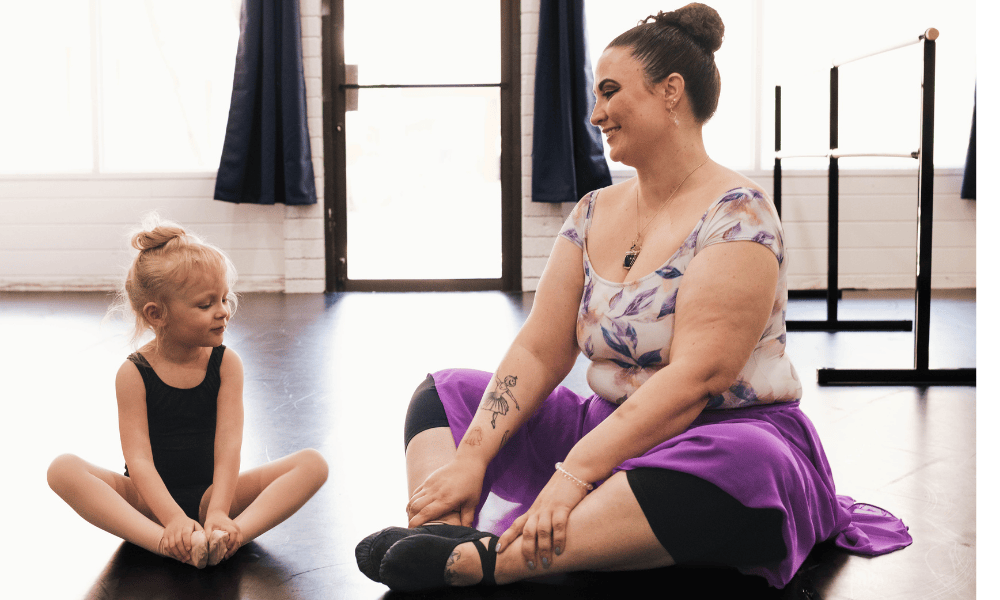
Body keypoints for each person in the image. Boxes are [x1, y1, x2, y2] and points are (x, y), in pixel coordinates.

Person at [355, 2, 913, 592]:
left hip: (718, 436)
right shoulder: (593, 210)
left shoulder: (739, 213)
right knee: (444, 396)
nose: (596, 112)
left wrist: (573, 476)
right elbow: (540, 351)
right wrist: (471, 458)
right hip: (607, 427)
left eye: (610, 92)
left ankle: (496, 561)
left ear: (671, 92)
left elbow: (699, 377)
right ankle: (443, 533)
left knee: (751, 468)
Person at [47, 215, 329, 569]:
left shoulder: (227, 364)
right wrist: (173, 519)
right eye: (206, 304)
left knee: (312, 464)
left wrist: (219, 511)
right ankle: (165, 543)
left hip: (212, 493)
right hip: (148, 500)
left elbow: (228, 448)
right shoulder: (134, 374)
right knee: (62, 469)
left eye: (225, 299)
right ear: (157, 314)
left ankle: (229, 535)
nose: (223, 312)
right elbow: (140, 463)